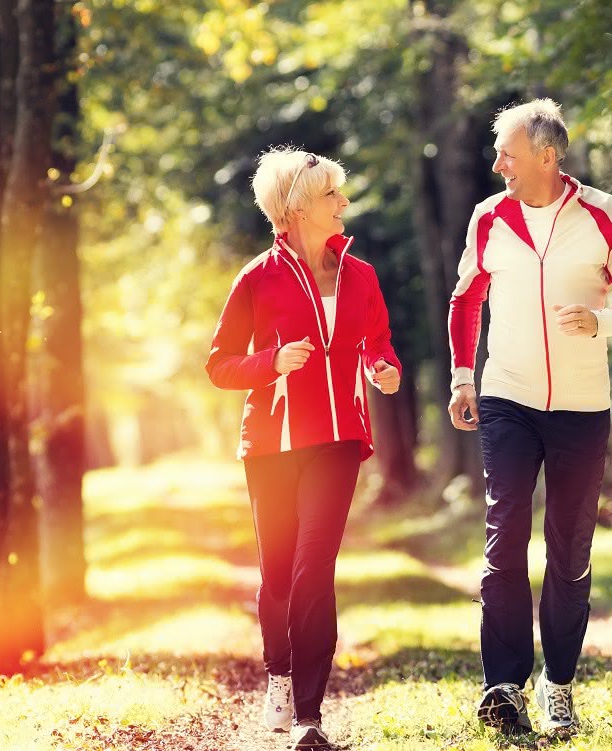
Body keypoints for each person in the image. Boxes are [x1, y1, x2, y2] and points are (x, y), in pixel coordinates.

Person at [447, 99, 612, 736]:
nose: (497, 164)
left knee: (569, 552)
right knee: (505, 534)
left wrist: (602, 321)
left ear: (547, 155)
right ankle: (503, 683)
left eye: (508, 153)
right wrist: (463, 378)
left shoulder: (602, 215)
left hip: (580, 406)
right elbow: (465, 299)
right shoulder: (491, 218)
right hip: (506, 396)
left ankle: (558, 684)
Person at [206, 147, 402, 750]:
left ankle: (310, 715)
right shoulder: (257, 279)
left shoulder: (360, 274)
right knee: (280, 571)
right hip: (271, 443)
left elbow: (379, 343)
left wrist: (383, 368)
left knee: (315, 567)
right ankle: (280, 674)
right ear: (294, 209)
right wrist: (271, 362)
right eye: (330, 195)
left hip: (340, 439)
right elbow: (218, 366)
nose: (343, 203)